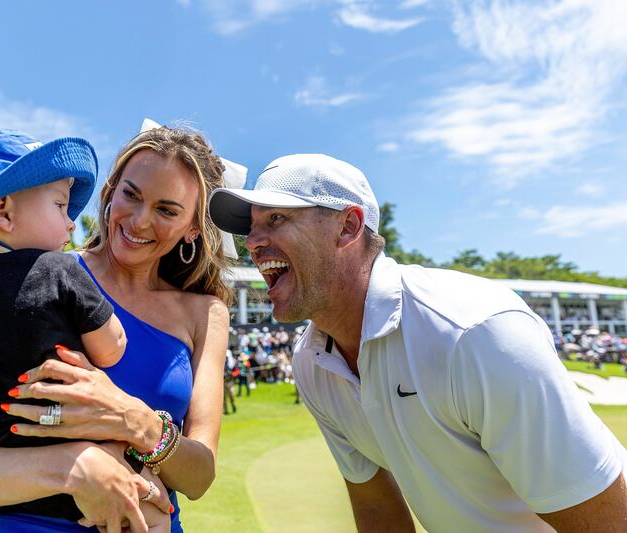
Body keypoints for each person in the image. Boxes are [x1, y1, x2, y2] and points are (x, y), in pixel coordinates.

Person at [209, 153, 627, 532]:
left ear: (348, 227)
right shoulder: (311, 360)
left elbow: (606, 522)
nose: (253, 243)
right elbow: (377, 508)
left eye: (276, 220)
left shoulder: (473, 332)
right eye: (252, 227)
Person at [0, 126, 231, 533]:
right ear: (110, 192)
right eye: (131, 194)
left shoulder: (207, 314)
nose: (140, 220)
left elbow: (199, 477)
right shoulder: (33, 276)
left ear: (194, 228)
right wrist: (71, 467)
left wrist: (134, 422)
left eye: (167, 210)